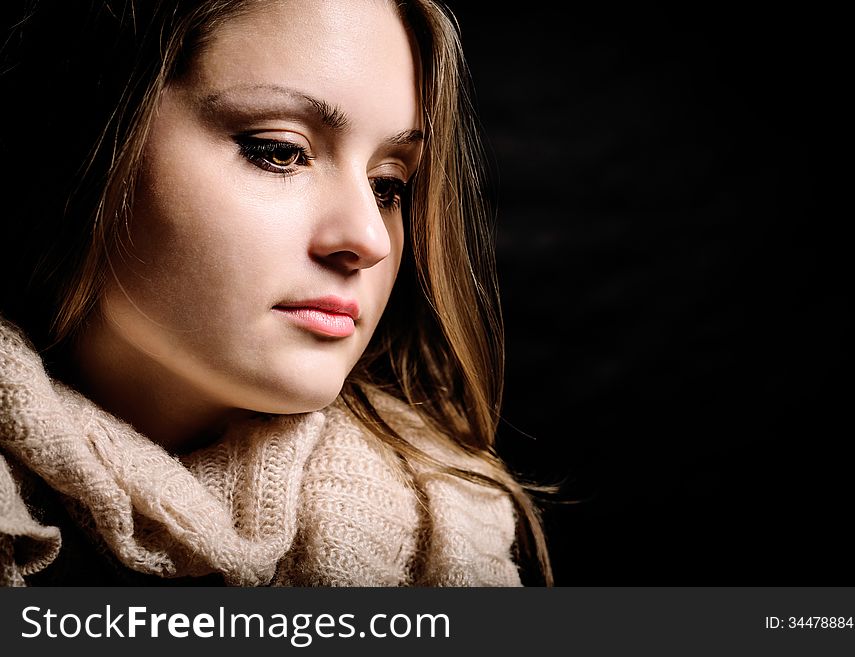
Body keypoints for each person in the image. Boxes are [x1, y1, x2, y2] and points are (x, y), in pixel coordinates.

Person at [0, 0, 552, 586]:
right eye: (280, 151)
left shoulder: (455, 531)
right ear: (81, 141)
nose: (369, 240)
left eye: (389, 184)